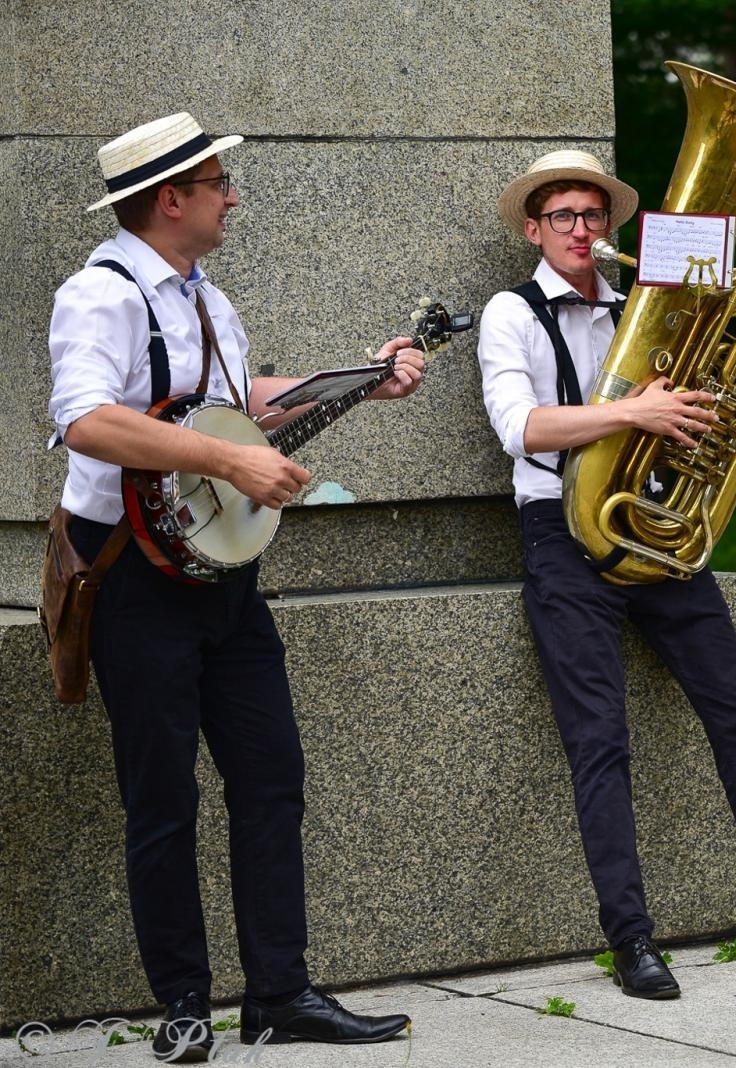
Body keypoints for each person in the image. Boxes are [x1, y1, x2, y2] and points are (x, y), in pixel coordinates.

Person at [475, 150, 736, 1000]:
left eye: (595, 216)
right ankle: (631, 939)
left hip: (657, 528)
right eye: (563, 216)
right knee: (598, 744)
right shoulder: (508, 313)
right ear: (534, 228)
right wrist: (634, 410)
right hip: (562, 537)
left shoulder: (652, 308)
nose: (582, 231)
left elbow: (719, 407)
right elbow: (518, 425)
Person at [47, 113, 424, 1061]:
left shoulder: (207, 296)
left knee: (270, 780)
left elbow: (238, 399)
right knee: (162, 799)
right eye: (218, 182)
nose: (232, 195)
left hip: (222, 577)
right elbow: (88, 421)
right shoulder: (99, 295)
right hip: (132, 581)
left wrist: (357, 381)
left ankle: (279, 994)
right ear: (171, 198)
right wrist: (231, 461)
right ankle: (182, 1006)